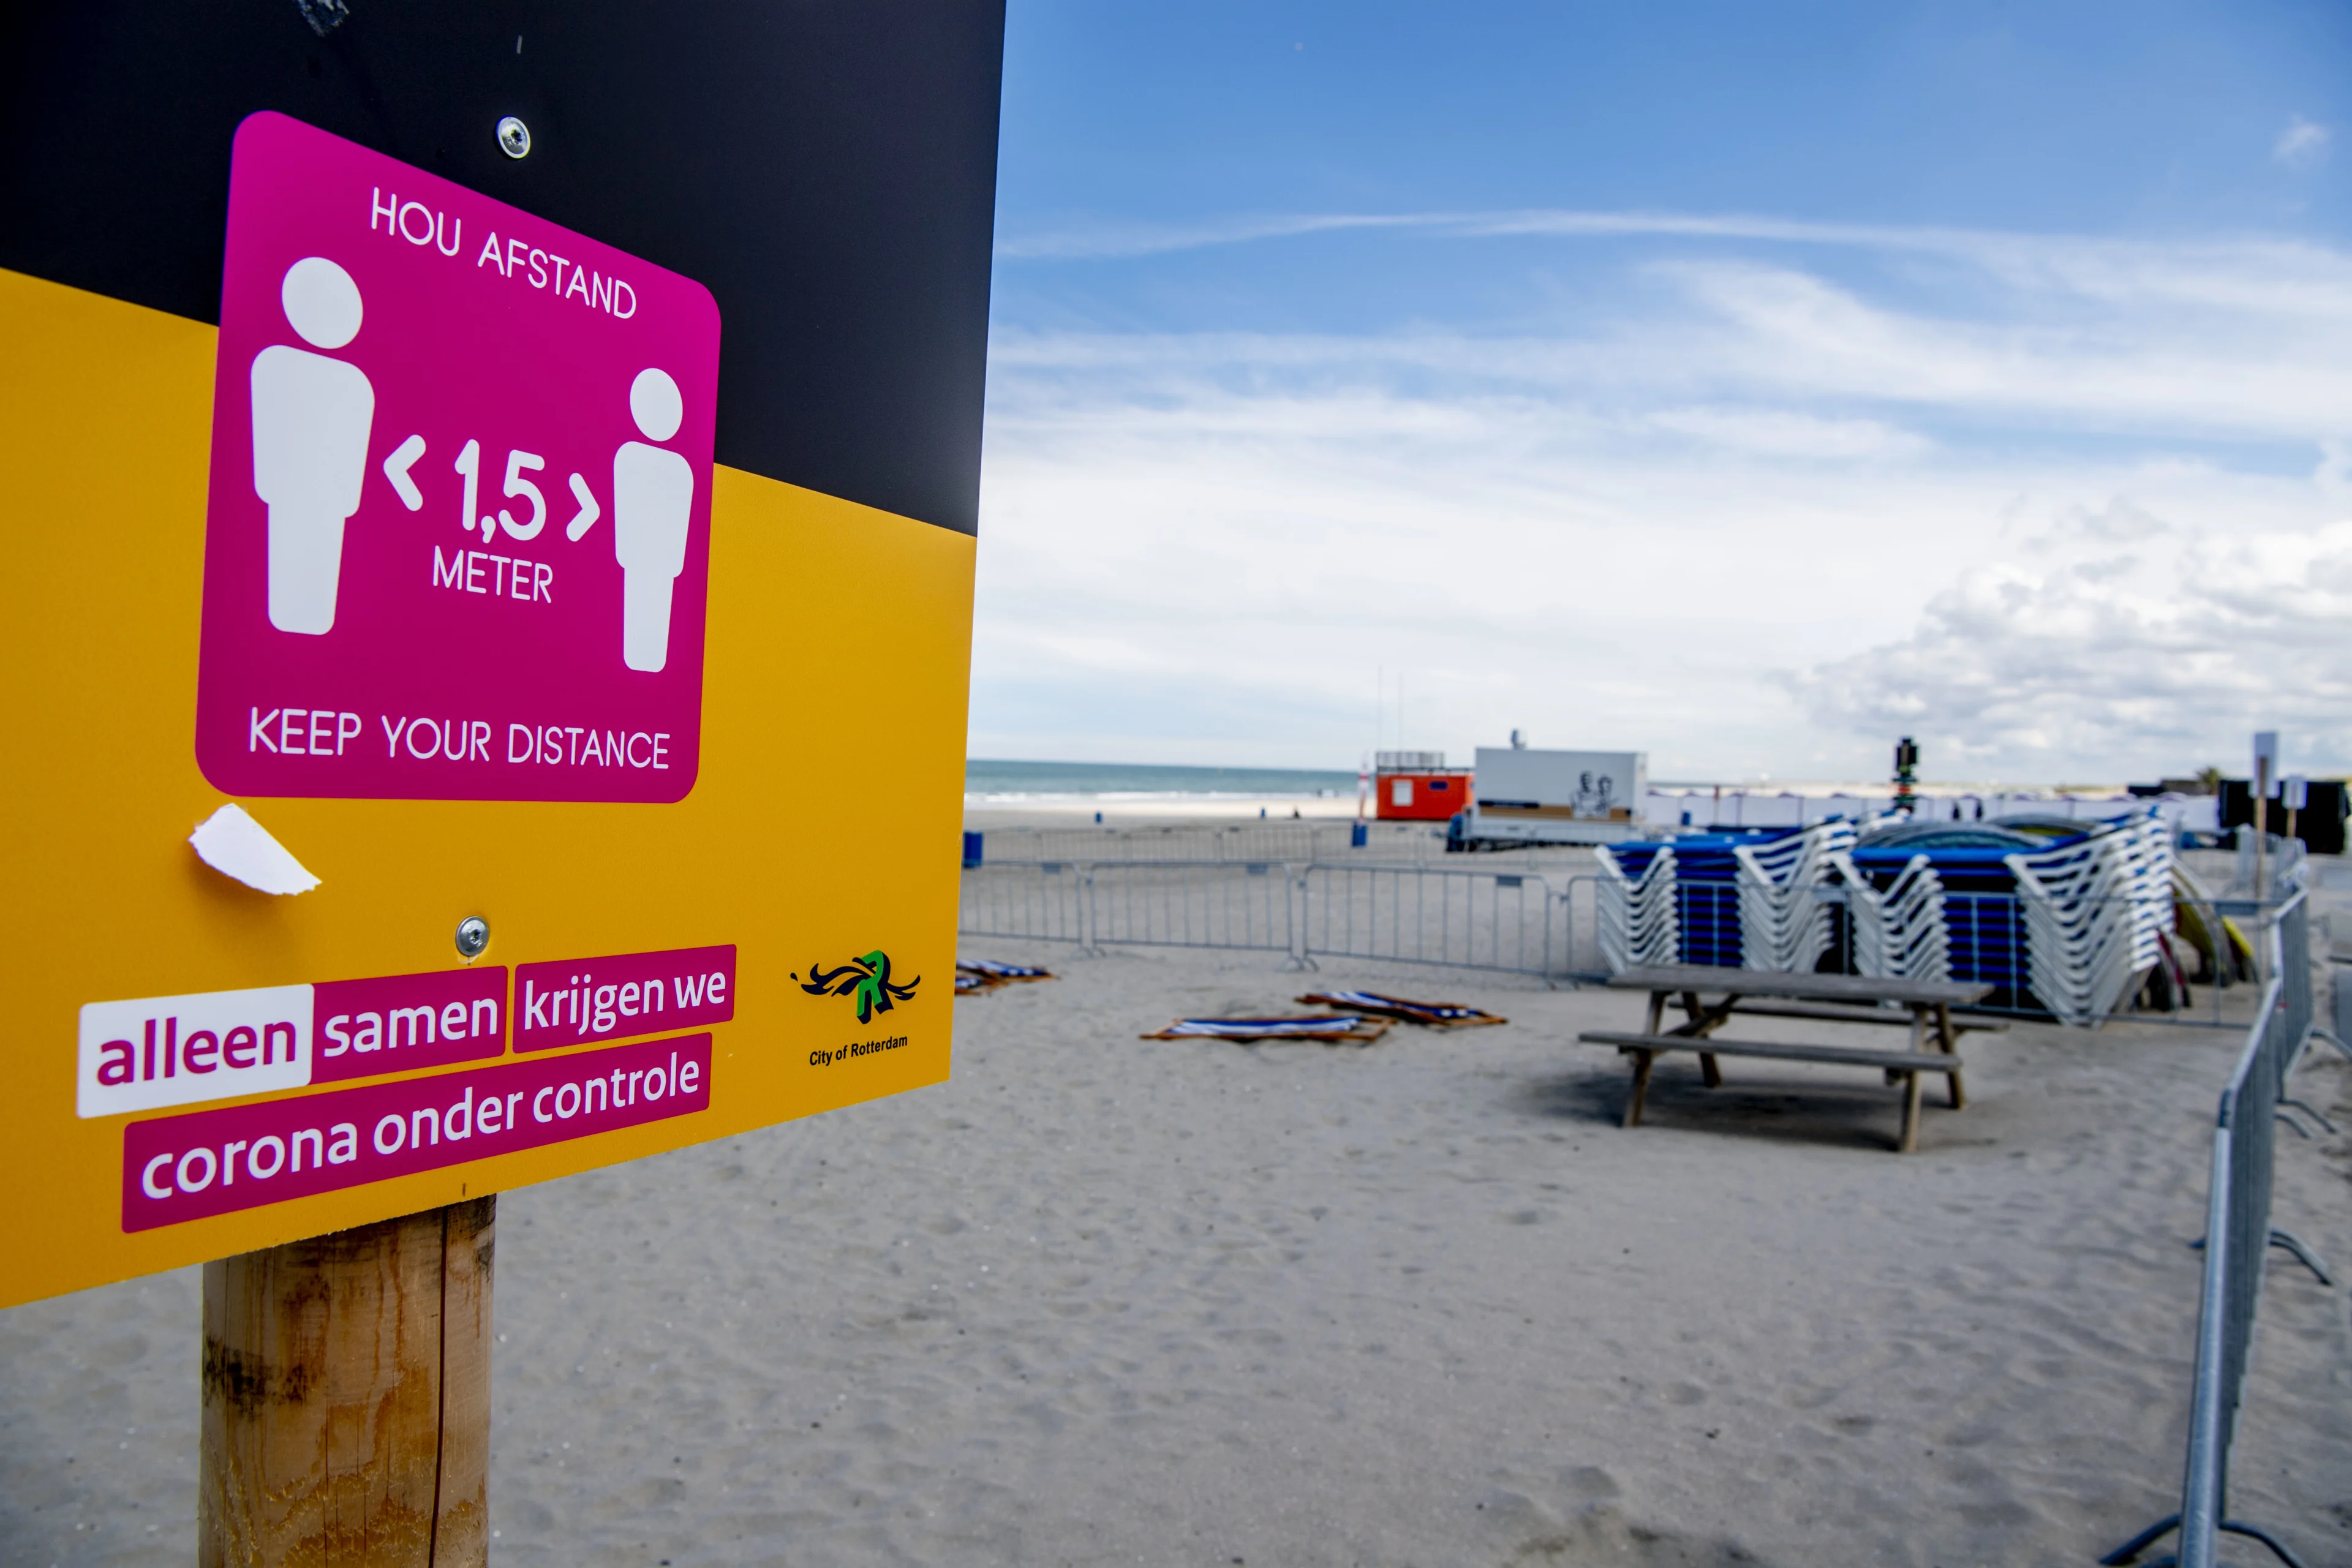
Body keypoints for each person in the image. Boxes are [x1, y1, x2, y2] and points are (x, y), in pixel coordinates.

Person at [252, 256, 374, 634]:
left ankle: (304, 625)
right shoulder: (274, 364)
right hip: (296, 494)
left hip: (323, 499)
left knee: (315, 593)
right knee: (290, 588)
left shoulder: (353, 383)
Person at [612, 368, 693, 672]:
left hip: (656, 563)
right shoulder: (632, 457)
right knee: (640, 629)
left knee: (654, 632)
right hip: (646, 561)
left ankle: (646, 663)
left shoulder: (638, 459)